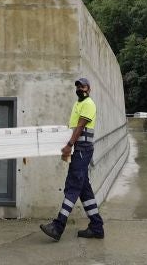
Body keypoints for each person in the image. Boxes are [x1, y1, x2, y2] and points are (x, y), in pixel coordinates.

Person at [39, 77, 105, 241]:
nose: (79, 89)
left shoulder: (88, 104)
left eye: (82, 86)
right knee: (84, 190)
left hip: (82, 149)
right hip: (79, 150)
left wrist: (69, 145)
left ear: (88, 88)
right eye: (77, 87)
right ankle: (97, 227)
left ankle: (58, 226)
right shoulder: (78, 104)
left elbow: (80, 126)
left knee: (72, 185)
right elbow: (74, 127)